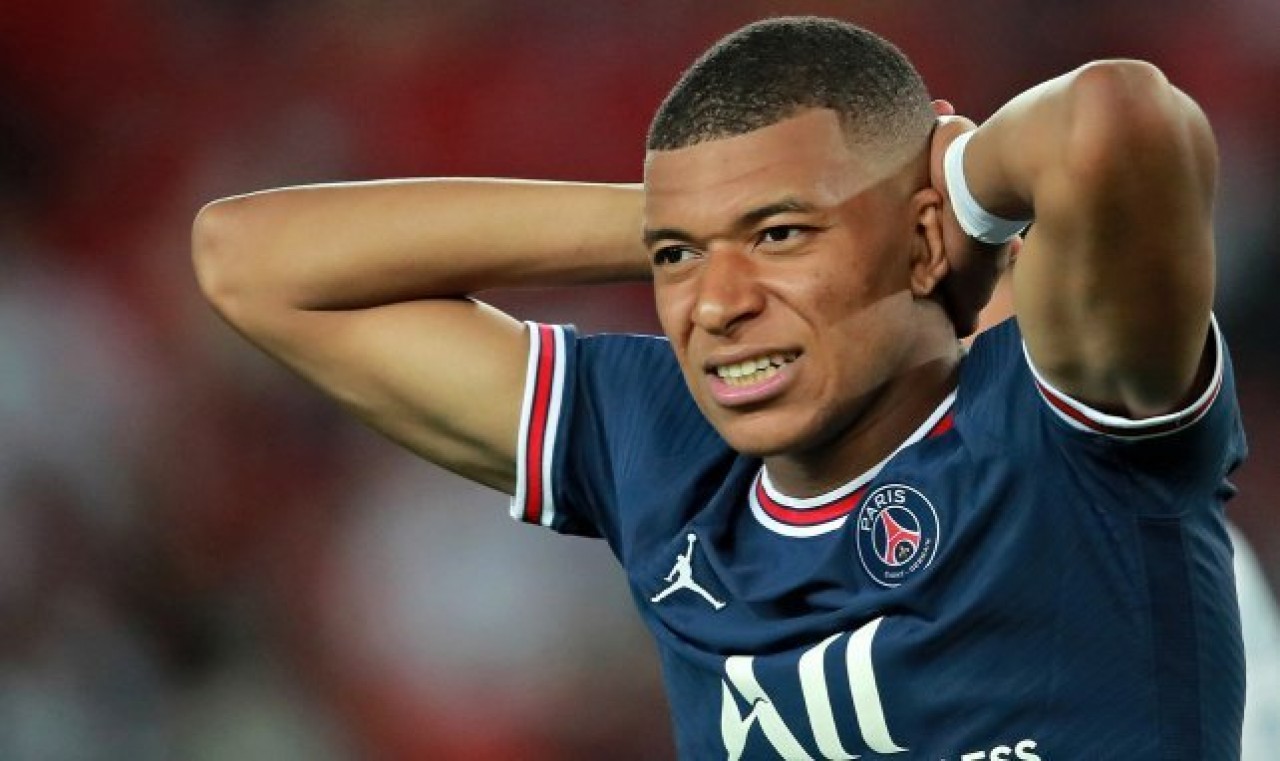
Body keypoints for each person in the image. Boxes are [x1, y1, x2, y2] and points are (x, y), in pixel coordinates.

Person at [193, 16, 1246, 760]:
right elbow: (247, 260)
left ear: (921, 240)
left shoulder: (1070, 424)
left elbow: (1115, 116)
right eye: (678, 261)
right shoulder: (661, 444)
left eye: (781, 236)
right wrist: (691, 218)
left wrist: (955, 195)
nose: (717, 303)